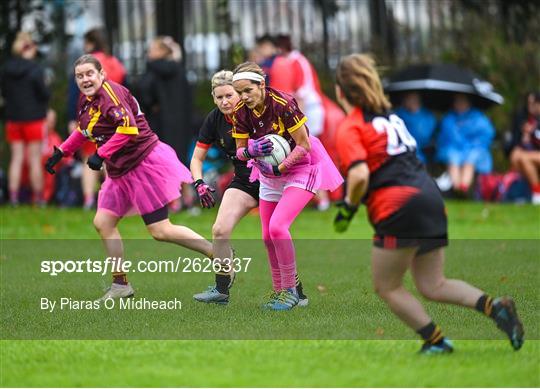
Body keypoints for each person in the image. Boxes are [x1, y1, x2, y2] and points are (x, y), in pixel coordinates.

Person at [333, 53, 524, 354]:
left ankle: (435, 342)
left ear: (339, 91)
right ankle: (494, 306)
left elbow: (358, 175)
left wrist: (348, 207)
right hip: (430, 197)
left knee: (387, 286)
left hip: (399, 206)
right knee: (432, 284)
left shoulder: (351, 126)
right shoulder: (391, 117)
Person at [45, 54, 213, 300]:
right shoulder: (87, 99)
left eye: (89, 74)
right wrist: (62, 151)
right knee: (103, 223)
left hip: (142, 164)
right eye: (79, 76)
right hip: (119, 170)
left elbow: (128, 128)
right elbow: (85, 129)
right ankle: (121, 285)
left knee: (160, 230)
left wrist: (100, 154)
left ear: (102, 74)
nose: (85, 79)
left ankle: (217, 253)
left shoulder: (110, 94)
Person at [190, 70, 309, 306]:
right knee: (220, 230)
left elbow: (299, 140)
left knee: (275, 232)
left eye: (230, 95)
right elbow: (197, 158)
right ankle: (222, 289)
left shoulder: (259, 109)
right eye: (219, 97)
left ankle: (294, 290)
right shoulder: (214, 120)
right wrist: (199, 182)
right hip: (245, 181)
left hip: (276, 176)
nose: (225, 101)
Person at [231, 62, 343, 310]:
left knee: (278, 227)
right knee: (267, 236)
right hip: (269, 174)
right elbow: (239, 152)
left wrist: (280, 167)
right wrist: (250, 150)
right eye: (239, 92)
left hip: (301, 168)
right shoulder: (240, 111)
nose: (243, 97)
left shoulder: (283, 103)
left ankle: (291, 291)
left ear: (261, 84)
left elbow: (304, 145)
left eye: (248, 90)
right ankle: (283, 292)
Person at [67, 28, 127, 210]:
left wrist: (72, 118)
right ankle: (112, 201)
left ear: (90, 43)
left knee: (88, 157)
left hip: (90, 115)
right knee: (110, 158)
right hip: (113, 117)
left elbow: (74, 93)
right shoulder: (115, 64)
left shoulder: (85, 64)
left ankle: (88, 200)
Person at [1, 31, 50, 206]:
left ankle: (13, 197)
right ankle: (39, 197)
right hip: (34, 118)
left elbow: (4, 93)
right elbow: (44, 94)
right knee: (34, 159)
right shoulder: (35, 69)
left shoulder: (6, 69)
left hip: (13, 119)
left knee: (16, 158)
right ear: (29, 48)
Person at [136, 36, 192, 165]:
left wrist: (150, 106)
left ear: (161, 51)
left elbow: (144, 92)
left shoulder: (152, 71)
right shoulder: (179, 70)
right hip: (179, 123)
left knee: (159, 161)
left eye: (152, 49)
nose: (149, 53)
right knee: (178, 162)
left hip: (157, 122)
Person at [436, 93, 495, 194]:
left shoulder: (478, 117)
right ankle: (457, 188)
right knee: (453, 158)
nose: (460, 104)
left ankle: (464, 188)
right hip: (454, 149)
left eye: (462, 101)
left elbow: (486, 135)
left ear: (468, 103)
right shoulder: (449, 118)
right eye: (457, 102)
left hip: (474, 149)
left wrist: (471, 145)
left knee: (470, 160)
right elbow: (445, 138)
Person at [508, 91, 540, 204]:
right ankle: (524, 192)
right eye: (529, 103)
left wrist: (533, 132)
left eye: (534, 103)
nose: (531, 106)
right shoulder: (523, 118)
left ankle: (537, 194)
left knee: (525, 158)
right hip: (533, 154)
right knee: (516, 157)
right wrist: (525, 136)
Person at [394, 92, 437, 164]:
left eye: (413, 99)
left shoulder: (427, 115)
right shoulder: (399, 114)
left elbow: (426, 135)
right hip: (404, 149)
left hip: (423, 149)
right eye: (408, 99)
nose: (410, 102)